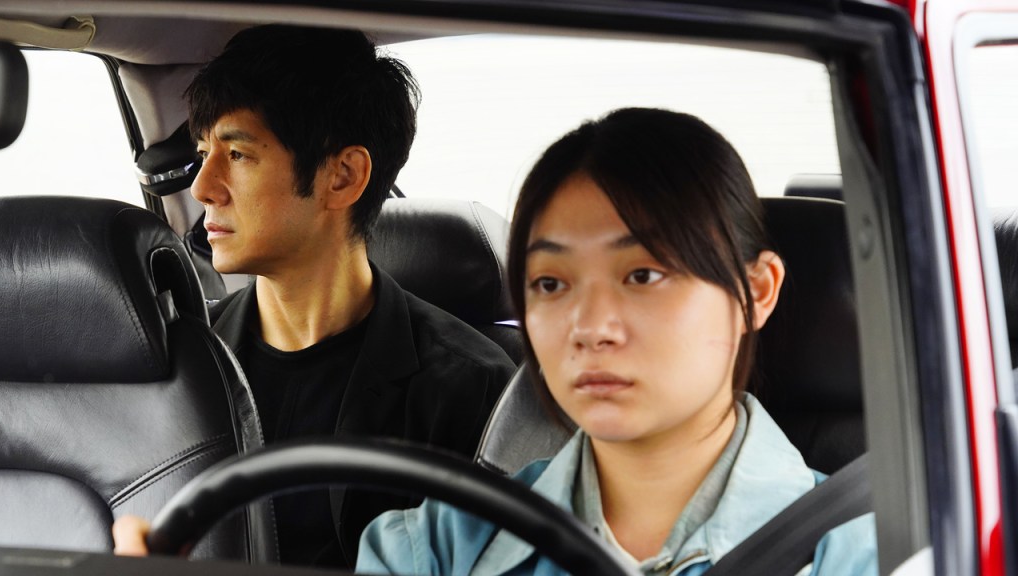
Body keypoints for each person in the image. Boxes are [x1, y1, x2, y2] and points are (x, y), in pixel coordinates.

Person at [355, 108, 877, 575]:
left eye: (643, 275)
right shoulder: (432, 548)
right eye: (550, 284)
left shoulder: (868, 556)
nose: (589, 327)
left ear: (754, 293)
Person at [112, 24, 515, 569]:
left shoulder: (470, 388)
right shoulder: (180, 364)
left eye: (238, 154)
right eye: (204, 152)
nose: (202, 187)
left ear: (343, 177)